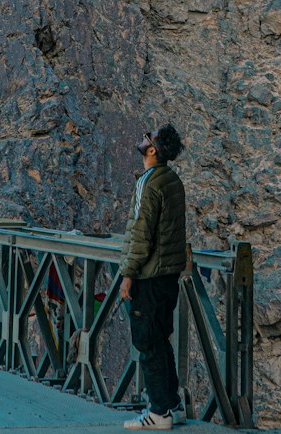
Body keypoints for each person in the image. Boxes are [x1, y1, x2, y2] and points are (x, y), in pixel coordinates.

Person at [120, 123, 187, 430]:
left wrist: (128, 274)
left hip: (149, 275)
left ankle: (159, 412)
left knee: (147, 342)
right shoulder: (173, 180)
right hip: (169, 275)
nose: (143, 136)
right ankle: (173, 405)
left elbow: (140, 233)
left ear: (152, 149)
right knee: (161, 339)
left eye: (149, 136)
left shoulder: (149, 183)